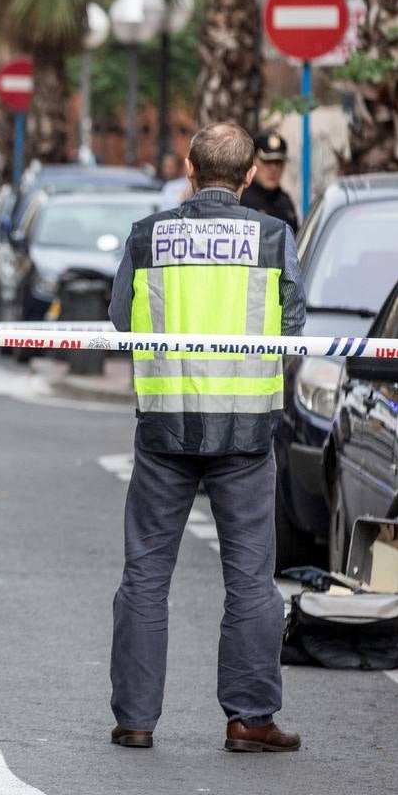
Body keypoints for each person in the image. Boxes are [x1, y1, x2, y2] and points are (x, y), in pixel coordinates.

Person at [107, 122, 307, 753]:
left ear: (188, 170)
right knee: (250, 577)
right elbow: (295, 326)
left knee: (145, 573)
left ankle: (136, 720)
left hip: (164, 428)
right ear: (249, 176)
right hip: (248, 434)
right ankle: (250, 719)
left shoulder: (147, 236)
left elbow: (118, 320)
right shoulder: (274, 237)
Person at [239, 131, 299, 233]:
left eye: (278, 162)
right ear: (252, 161)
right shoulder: (241, 200)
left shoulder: (286, 203)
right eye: (267, 162)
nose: (273, 169)